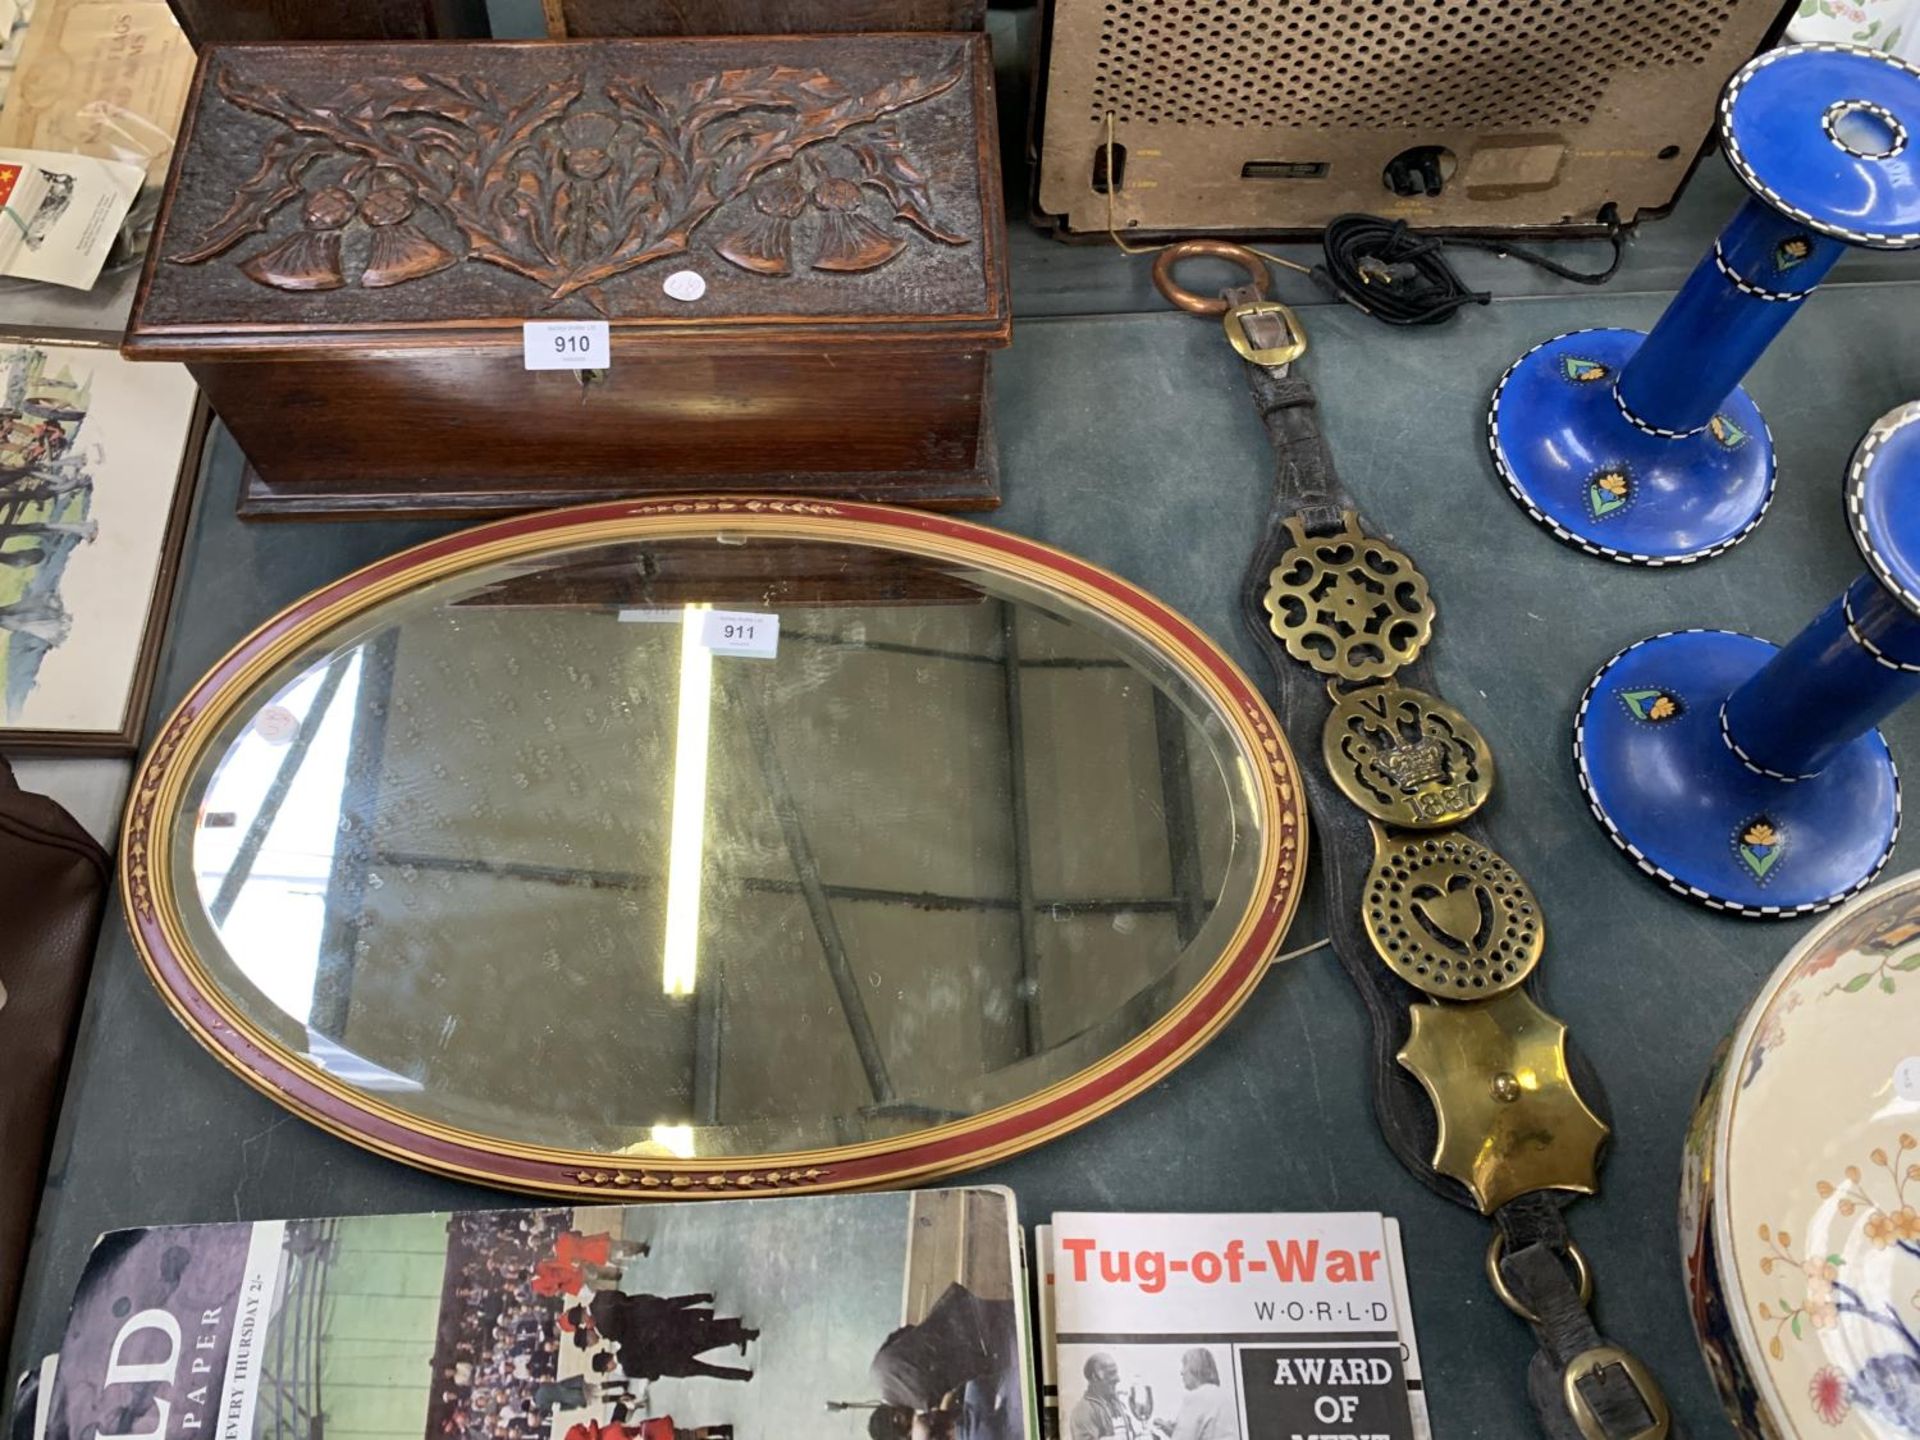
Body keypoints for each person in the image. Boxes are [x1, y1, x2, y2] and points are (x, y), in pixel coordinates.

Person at [1150, 1351, 1235, 1440]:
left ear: (1195, 1368)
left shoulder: (1196, 1397)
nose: (1181, 1372)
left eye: (1184, 1365)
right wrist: (1173, 1431)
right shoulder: (1223, 1397)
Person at [1068, 1355, 1123, 1440]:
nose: (1118, 1379)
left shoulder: (1116, 1403)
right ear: (1095, 1377)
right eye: (1111, 1373)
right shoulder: (1083, 1411)